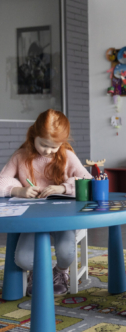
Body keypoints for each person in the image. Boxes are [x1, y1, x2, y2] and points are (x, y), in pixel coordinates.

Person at [0, 109, 92, 296]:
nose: (48, 151)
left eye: (54, 147)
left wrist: (63, 188)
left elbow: (87, 181)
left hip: (63, 217)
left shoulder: (66, 155)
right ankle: (37, 273)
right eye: (44, 145)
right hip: (33, 219)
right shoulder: (21, 156)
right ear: (34, 135)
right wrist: (18, 190)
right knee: (24, 260)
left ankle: (60, 272)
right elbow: (2, 180)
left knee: (66, 254)